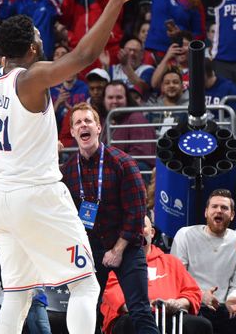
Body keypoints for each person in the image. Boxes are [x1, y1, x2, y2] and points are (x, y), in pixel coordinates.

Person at [0, 0, 142, 333]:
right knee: (85, 284)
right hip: (38, 195)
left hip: (0, 199)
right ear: (33, 48)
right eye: (38, 37)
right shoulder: (31, 79)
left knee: (17, 295)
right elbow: (86, 53)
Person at [61, 103, 158, 333]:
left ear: (98, 128)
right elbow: (64, 216)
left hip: (127, 246)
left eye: (88, 121)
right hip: (90, 250)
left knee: (140, 310)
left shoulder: (123, 163)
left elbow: (136, 212)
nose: (83, 125)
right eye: (77, 123)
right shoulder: (67, 171)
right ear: (73, 133)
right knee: (86, 309)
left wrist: (118, 250)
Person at [101, 216, 211, 334]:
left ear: (152, 232)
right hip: (135, 315)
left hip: (172, 315)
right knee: (129, 322)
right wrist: (143, 307)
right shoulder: (120, 263)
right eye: (133, 228)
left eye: (142, 226)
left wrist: (178, 303)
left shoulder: (171, 261)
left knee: (201, 325)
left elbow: (192, 292)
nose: (137, 230)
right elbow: (115, 297)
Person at [171, 189, 236, 333]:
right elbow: (177, 279)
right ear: (206, 212)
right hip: (191, 305)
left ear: (232, 215)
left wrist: (234, 298)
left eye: (224, 208)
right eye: (214, 206)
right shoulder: (185, 235)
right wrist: (200, 295)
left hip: (224, 308)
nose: (219, 210)